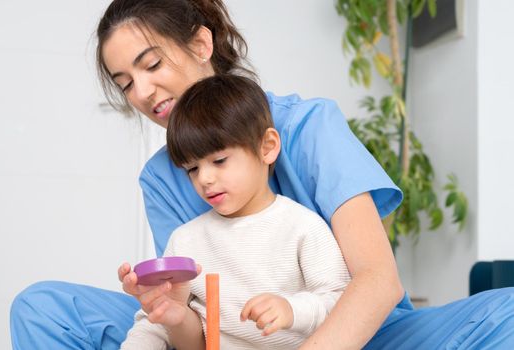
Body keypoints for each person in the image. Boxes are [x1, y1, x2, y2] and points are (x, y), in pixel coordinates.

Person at [10, 0, 514, 349]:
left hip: (360, 333)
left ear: (201, 44)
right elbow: (195, 317)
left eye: (152, 64)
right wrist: (165, 312)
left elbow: (377, 282)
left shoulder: (307, 125)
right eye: (125, 83)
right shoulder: (161, 179)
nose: (142, 92)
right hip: (226, 337)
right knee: (43, 308)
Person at [121, 74, 352, 349]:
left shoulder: (303, 227)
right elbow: (155, 319)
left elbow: (339, 300)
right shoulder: (184, 241)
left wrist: (292, 310)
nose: (204, 179)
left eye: (219, 161)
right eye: (193, 169)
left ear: (267, 148)